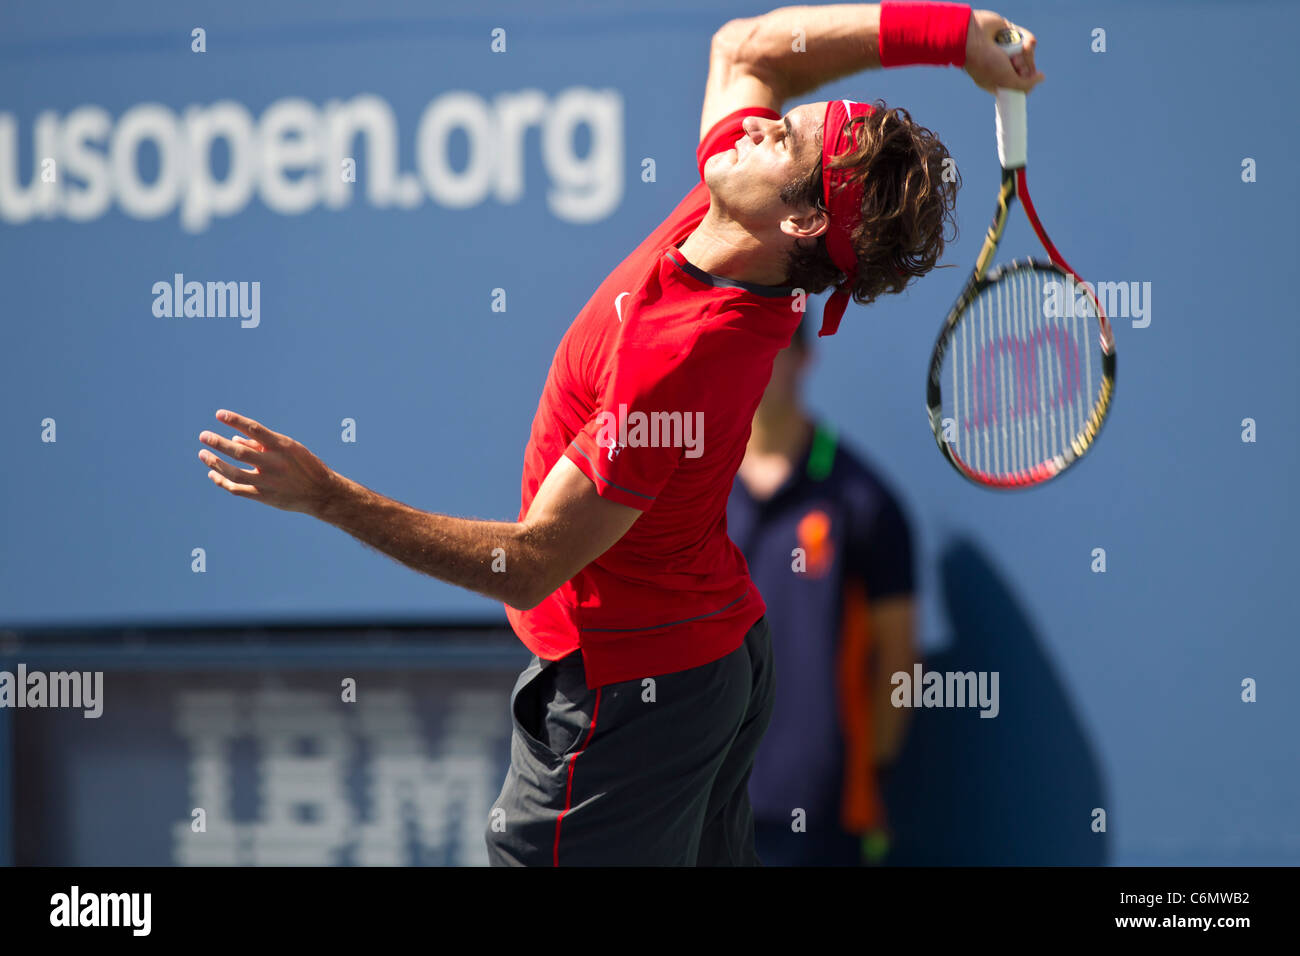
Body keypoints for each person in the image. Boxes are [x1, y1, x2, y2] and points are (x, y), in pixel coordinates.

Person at [194, 3, 1041, 865]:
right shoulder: (740, 215)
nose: (753, 134)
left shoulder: (676, 359)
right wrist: (949, 33)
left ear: (804, 223)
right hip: (709, 660)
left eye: (781, 141)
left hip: (635, 698)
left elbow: (529, 564)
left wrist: (329, 498)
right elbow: (746, 48)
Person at [729, 319, 916, 866]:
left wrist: (864, 772)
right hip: (698, 804)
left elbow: (899, 660)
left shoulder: (865, 501)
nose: (758, 368)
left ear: (804, 359)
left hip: (819, 818)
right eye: (743, 351)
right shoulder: (694, 491)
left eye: (773, 349)